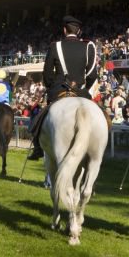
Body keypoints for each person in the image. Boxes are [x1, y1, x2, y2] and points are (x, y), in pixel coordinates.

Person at [28, 15, 97, 160]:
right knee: (101, 117)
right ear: (78, 31)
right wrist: (83, 88)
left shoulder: (55, 46)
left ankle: (38, 148)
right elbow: (92, 75)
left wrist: (51, 85)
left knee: (38, 117)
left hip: (58, 90)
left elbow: (46, 73)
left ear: (64, 30)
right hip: (80, 91)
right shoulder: (87, 47)